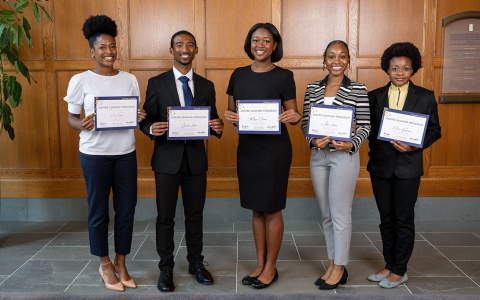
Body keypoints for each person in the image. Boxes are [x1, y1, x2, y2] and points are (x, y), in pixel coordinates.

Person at [64, 15, 145, 292]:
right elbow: (72, 118)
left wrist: (138, 115)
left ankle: (122, 261)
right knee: (98, 211)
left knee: (126, 210)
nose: (109, 52)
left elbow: (133, 113)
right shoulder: (80, 80)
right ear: (92, 51)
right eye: (102, 48)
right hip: (94, 154)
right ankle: (105, 262)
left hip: (125, 153)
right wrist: (82, 124)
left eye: (112, 46)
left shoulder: (130, 79)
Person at [139, 30, 224, 293]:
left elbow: (213, 121)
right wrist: (151, 129)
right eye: (179, 45)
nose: (184, 49)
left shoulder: (207, 86)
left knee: (195, 216)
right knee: (165, 217)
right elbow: (145, 118)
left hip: (196, 161)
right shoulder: (156, 83)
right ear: (171, 50)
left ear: (196, 50)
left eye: (189, 45)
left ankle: (196, 263)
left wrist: (218, 126)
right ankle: (166, 268)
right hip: (166, 160)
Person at [224, 23, 301, 289]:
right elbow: (232, 112)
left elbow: (295, 114)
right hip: (248, 150)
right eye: (255, 40)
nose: (260, 45)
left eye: (266, 41)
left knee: (272, 208)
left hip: (275, 151)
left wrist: (295, 116)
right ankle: (259, 263)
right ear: (249, 44)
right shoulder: (238, 74)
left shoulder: (284, 76)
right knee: (256, 208)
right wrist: (228, 116)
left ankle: (271, 267)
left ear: (275, 45)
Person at [367, 42, 441, 288]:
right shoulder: (374, 96)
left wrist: (415, 145)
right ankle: (389, 264)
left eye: (405, 68)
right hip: (380, 167)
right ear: (387, 70)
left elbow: (435, 131)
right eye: (395, 68)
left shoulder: (425, 96)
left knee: (403, 219)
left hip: (408, 168)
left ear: (413, 70)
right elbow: (367, 130)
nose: (399, 73)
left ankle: (400, 269)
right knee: (386, 219)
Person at [301, 40, 371, 290]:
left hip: (344, 156)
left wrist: (351, 144)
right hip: (318, 157)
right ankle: (332, 262)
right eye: (331, 56)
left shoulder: (358, 89)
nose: (337, 61)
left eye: (342, 56)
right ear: (324, 60)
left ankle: (340, 267)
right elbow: (305, 123)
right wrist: (312, 140)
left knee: (341, 214)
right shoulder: (312, 88)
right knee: (327, 214)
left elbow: (365, 125)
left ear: (348, 60)